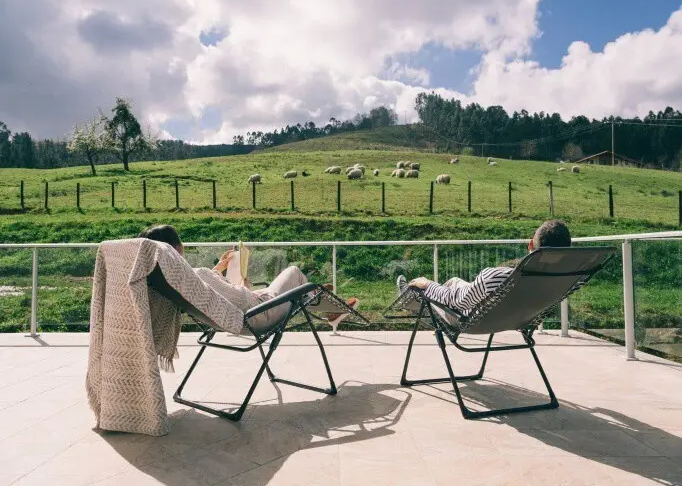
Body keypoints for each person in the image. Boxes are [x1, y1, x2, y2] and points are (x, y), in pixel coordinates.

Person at [137, 224, 357, 325]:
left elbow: (207, 291)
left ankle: (319, 298)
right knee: (294, 273)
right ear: (177, 248)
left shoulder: (167, 281)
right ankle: (326, 305)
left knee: (292, 288)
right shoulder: (198, 274)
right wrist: (244, 284)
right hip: (259, 314)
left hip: (243, 315)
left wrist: (219, 270)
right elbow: (241, 299)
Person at [397, 220, 571, 316]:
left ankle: (412, 298)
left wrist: (427, 284)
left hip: (471, 319)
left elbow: (457, 301)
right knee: (454, 282)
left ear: (530, 244)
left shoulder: (498, 277)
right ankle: (415, 300)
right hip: (516, 319)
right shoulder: (565, 280)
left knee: (431, 289)